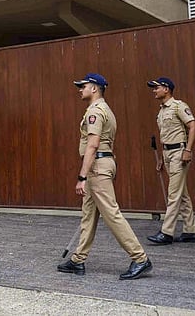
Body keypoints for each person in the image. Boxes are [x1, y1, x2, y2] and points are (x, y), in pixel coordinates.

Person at [57, 73, 152, 280]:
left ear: (95, 88)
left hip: (97, 166)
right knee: (89, 213)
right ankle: (78, 260)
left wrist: (81, 176)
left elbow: (93, 144)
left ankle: (140, 258)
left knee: (111, 213)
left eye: (83, 86)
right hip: (98, 165)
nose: (79, 89)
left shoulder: (96, 112)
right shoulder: (101, 110)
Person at [145, 77, 195, 245]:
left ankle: (166, 232)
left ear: (166, 89)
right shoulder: (162, 110)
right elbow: (166, 136)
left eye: (157, 87)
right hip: (168, 153)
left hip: (179, 153)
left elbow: (193, 127)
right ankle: (191, 231)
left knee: (173, 193)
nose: (154, 90)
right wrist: (162, 157)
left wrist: (188, 150)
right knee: (181, 194)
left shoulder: (179, 106)